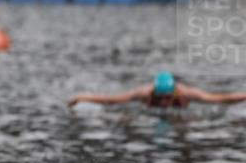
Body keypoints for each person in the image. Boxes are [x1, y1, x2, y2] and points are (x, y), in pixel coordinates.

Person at [68, 71, 246, 108]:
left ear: (174, 93)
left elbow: (222, 98)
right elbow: (112, 100)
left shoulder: (186, 94)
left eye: (166, 98)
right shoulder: (144, 94)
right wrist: (83, 97)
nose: (162, 102)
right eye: (159, 98)